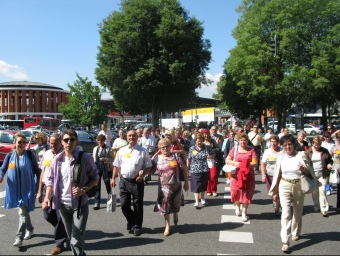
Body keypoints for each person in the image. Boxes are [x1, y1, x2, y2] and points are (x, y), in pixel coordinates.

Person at [42, 129, 99, 255]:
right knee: (72, 237)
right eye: (66, 140)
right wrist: (46, 197)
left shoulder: (84, 157)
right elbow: (50, 180)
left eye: (72, 139)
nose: (69, 142)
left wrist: (83, 189)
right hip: (63, 205)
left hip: (79, 205)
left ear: (76, 141)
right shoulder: (57, 160)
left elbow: (95, 177)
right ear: (62, 142)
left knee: (75, 239)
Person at [269, 134, 315, 252]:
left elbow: (310, 173)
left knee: (298, 211)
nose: (288, 147)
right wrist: (275, 192)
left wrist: (303, 169)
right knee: (286, 212)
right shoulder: (281, 158)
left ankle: (296, 231)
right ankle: (285, 240)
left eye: (289, 144)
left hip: (298, 184)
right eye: (285, 145)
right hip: (284, 185)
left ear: (293, 145)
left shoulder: (301, 156)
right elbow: (276, 176)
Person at [0, 132, 41, 248]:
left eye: (24, 142)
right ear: (14, 143)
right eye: (19, 142)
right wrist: (1, 176)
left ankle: (19, 238)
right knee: (24, 212)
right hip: (14, 189)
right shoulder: (9, 156)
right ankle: (30, 229)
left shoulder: (29, 154)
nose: (22, 144)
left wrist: (41, 186)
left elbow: (37, 170)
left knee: (22, 212)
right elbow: (3, 169)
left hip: (28, 188)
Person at [111, 130, 152, 237]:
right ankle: (132, 220)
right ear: (126, 137)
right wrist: (113, 178)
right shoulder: (122, 150)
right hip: (124, 181)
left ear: (137, 137)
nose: (131, 137)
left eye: (134, 135)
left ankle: (137, 226)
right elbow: (116, 166)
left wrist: (142, 176)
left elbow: (148, 167)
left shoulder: (143, 151)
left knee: (138, 205)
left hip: (137, 181)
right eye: (129, 136)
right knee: (124, 205)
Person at [37, 133, 67, 255]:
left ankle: (60, 243)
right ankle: (64, 230)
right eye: (51, 143)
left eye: (55, 143)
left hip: (60, 190)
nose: (52, 145)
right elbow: (42, 173)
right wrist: (39, 191)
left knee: (60, 217)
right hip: (46, 190)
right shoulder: (47, 154)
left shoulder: (65, 155)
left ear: (61, 143)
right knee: (47, 214)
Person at [152, 138, 189, 236]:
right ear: (159, 148)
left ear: (170, 147)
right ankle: (167, 225)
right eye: (162, 147)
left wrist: (186, 182)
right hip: (164, 186)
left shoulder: (175, 156)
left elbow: (185, 169)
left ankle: (175, 213)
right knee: (165, 205)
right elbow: (149, 168)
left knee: (175, 204)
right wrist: (141, 174)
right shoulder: (157, 159)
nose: (165, 148)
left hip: (176, 185)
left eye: (167, 146)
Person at [225, 132, 257, 222]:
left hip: (248, 176)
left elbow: (254, 163)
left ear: (247, 141)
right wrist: (234, 163)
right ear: (238, 141)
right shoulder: (234, 149)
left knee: (246, 193)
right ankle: (237, 206)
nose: (243, 142)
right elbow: (227, 160)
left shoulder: (251, 150)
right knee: (236, 192)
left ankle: (244, 213)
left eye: (245, 140)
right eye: (241, 140)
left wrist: (244, 164)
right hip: (236, 175)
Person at [305, 136, 333, 216]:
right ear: (313, 143)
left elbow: (330, 160)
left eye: (319, 144)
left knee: (322, 191)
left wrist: (329, 164)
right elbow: (305, 162)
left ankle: (324, 209)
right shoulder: (308, 152)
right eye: (316, 145)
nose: (317, 146)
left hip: (322, 174)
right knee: (315, 192)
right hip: (312, 175)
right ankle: (316, 206)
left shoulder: (324, 151)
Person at [187, 133, 213, 208]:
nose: (199, 143)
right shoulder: (192, 148)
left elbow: (213, 154)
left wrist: (210, 156)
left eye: (201, 141)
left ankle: (202, 198)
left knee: (203, 185)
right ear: (195, 141)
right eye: (198, 141)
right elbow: (189, 158)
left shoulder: (206, 147)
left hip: (204, 169)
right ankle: (196, 201)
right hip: (195, 169)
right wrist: (187, 168)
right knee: (196, 186)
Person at [261, 135, 283, 216]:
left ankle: (277, 207)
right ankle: (276, 202)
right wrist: (263, 175)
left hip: (280, 175)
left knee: (279, 191)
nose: (273, 143)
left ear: (278, 143)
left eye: (275, 142)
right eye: (271, 142)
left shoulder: (282, 151)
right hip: (270, 175)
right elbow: (263, 164)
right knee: (272, 192)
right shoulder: (267, 152)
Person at [92, 134, 115, 210]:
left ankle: (111, 202)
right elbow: (94, 159)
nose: (100, 142)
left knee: (108, 185)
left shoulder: (108, 148)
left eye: (102, 140)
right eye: (99, 140)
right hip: (97, 168)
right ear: (97, 140)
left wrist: (106, 159)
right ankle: (97, 202)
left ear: (104, 141)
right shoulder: (95, 149)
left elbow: (112, 159)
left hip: (106, 168)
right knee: (97, 186)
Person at [202, 129, 218, 196]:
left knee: (213, 176)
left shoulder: (213, 141)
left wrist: (214, 154)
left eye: (207, 134)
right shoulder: (201, 142)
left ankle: (214, 190)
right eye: (205, 134)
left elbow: (218, 149)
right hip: (204, 161)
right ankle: (208, 190)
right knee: (207, 177)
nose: (206, 135)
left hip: (213, 161)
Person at [321, 131, 336, 195]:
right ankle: (327, 188)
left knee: (331, 175)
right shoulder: (322, 143)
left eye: (328, 137)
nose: (327, 138)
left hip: (333, 160)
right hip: (325, 161)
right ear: (323, 137)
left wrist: (334, 152)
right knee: (326, 175)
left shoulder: (334, 143)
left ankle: (329, 187)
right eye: (325, 137)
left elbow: (338, 150)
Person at [331, 133, 340, 213]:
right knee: (339, 189)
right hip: (338, 169)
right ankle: (338, 206)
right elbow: (330, 157)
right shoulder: (334, 147)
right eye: (338, 138)